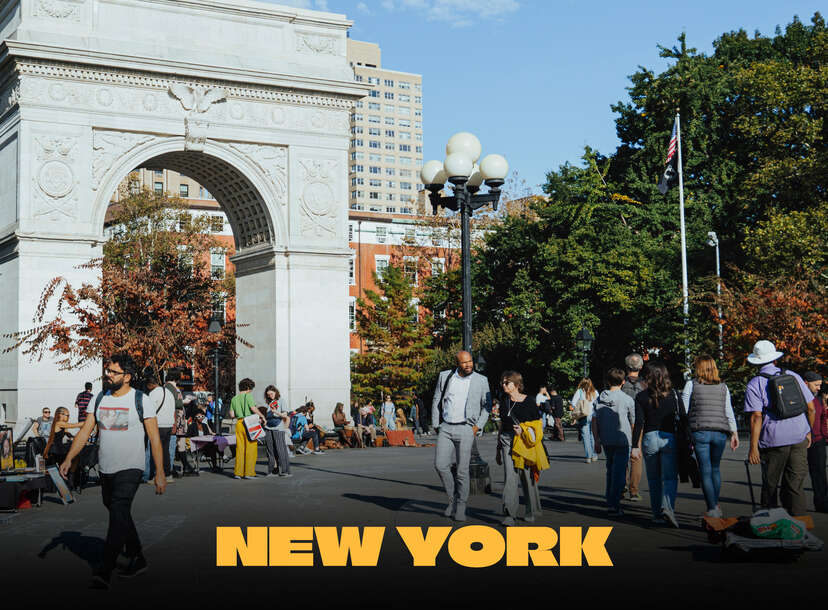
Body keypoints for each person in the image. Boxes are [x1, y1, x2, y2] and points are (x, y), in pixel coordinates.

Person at [60, 353, 166, 589]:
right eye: (107, 370)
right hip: (106, 469)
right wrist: (69, 458)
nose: (108, 375)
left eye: (113, 372)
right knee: (117, 512)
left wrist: (159, 472)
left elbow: (155, 439)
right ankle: (138, 557)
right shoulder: (98, 399)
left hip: (131, 467)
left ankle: (104, 571)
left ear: (127, 377)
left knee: (118, 510)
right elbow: (85, 432)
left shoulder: (141, 400)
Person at [745, 340, 815, 517]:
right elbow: (811, 407)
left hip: (774, 439)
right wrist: (808, 431)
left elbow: (756, 416)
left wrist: (753, 447)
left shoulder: (755, 383)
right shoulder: (793, 375)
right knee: (795, 484)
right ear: (774, 359)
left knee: (770, 483)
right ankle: (800, 525)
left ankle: (770, 523)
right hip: (799, 435)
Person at [431, 350, 491, 522]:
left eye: (470, 361)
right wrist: (436, 424)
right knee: (440, 465)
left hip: (466, 428)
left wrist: (477, 426)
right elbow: (436, 399)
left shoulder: (481, 380)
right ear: (457, 363)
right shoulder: (445, 376)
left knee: (462, 471)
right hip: (446, 427)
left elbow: (486, 405)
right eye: (464, 363)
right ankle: (452, 500)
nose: (469, 365)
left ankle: (461, 506)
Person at [680, 355, 739, 518]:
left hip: (700, 431)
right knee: (715, 469)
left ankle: (712, 508)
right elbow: (729, 411)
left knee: (704, 470)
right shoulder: (723, 387)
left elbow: (683, 410)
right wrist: (734, 432)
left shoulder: (691, 385)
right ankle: (715, 504)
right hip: (720, 432)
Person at [631, 362, 686, 528]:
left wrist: (635, 446)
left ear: (647, 377)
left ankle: (656, 514)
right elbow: (683, 418)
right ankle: (668, 507)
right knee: (669, 478)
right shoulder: (674, 395)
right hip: (669, 437)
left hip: (649, 438)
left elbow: (639, 422)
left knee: (654, 479)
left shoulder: (641, 397)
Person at [498, 370, 544, 525]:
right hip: (506, 440)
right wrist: (498, 448)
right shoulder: (504, 400)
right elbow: (502, 425)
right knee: (509, 478)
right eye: (502, 382)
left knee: (526, 476)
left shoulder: (529, 401)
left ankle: (531, 510)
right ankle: (509, 514)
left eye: (507, 382)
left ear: (516, 384)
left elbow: (537, 425)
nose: (503, 385)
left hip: (524, 442)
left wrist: (524, 430)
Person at [592, 368, 636, 516]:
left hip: (606, 439)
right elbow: (633, 422)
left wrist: (596, 440)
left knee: (610, 470)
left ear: (608, 381)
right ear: (623, 382)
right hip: (623, 439)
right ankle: (614, 503)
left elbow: (594, 420)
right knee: (620, 473)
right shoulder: (627, 399)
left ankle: (610, 499)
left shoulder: (599, 399)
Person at [622, 353, 646, 501]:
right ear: (641, 367)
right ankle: (634, 490)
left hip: (622, 422)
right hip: (639, 423)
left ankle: (622, 485)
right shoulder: (645, 386)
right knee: (636, 457)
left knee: (622, 454)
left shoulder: (621, 384)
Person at [142, 372, 174, 484]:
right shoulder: (169, 392)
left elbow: (149, 410)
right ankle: (168, 474)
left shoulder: (153, 394)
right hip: (169, 424)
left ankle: (153, 476)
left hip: (158, 425)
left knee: (154, 451)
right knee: (165, 450)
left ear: (150, 385)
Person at [230, 378, 265, 479]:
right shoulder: (248, 396)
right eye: (251, 388)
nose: (251, 391)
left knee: (240, 448)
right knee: (251, 448)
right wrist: (262, 416)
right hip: (249, 423)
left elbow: (232, 414)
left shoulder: (234, 399)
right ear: (248, 387)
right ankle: (249, 473)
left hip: (239, 423)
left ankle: (238, 473)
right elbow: (253, 408)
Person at [805, 376, 827, 512]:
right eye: (816, 385)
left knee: (820, 474)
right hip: (802, 440)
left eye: (820, 385)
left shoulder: (819, 399)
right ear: (806, 383)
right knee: (795, 475)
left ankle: (822, 503)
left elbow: (823, 419)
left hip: (818, 441)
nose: (819, 388)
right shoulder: (800, 397)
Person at [263, 386, 292, 476]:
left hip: (278, 427)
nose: (270, 396)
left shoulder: (281, 400)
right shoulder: (269, 403)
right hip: (268, 427)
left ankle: (285, 470)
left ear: (276, 392)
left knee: (281, 449)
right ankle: (272, 470)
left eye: (271, 393)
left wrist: (276, 412)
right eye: (268, 395)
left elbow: (285, 414)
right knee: (270, 450)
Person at [570, 378, 598, 463]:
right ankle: (594, 455)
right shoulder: (595, 392)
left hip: (583, 415)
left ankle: (588, 456)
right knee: (593, 435)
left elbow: (573, 404)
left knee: (585, 436)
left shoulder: (579, 392)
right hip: (593, 416)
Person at [164, 369, 185, 477]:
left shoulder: (172, 386)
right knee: (171, 444)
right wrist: (183, 402)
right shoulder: (169, 387)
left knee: (178, 442)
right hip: (174, 418)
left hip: (178, 417)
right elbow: (172, 401)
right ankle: (169, 468)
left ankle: (175, 466)